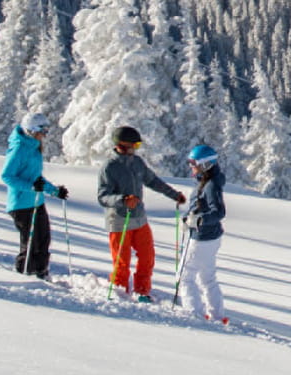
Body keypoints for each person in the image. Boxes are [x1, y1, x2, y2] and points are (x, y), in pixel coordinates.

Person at [96, 125, 185, 301]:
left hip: (139, 218)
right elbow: (102, 196)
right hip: (119, 220)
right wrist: (122, 199)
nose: (136, 149)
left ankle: (142, 291)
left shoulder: (137, 163)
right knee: (122, 262)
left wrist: (174, 195)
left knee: (147, 256)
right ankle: (120, 292)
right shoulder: (109, 167)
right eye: (134, 146)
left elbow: (152, 180)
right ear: (121, 145)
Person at [1, 112, 68, 280]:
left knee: (44, 238)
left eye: (46, 130)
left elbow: (36, 178)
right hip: (21, 204)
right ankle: (25, 275)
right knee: (31, 242)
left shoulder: (34, 148)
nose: (44, 134)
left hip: (36, 201)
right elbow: (7, 176)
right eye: (42, 130)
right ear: (31, 129)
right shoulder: (19, 148)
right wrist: (30, 187)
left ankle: (41, 272)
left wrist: (54, 190)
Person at [180, 143, 229, 324]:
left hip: (203, 237)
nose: (191, 166)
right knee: (207, 277)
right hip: (210, 236)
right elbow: (198, 206)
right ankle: (217, 315)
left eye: (194, 163)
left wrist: (198, 221)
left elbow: (219, 212)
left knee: (185, 276)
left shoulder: (210, 185)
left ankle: (194, 314)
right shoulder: (207, 182)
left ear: (206, 164)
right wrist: (189, 219)